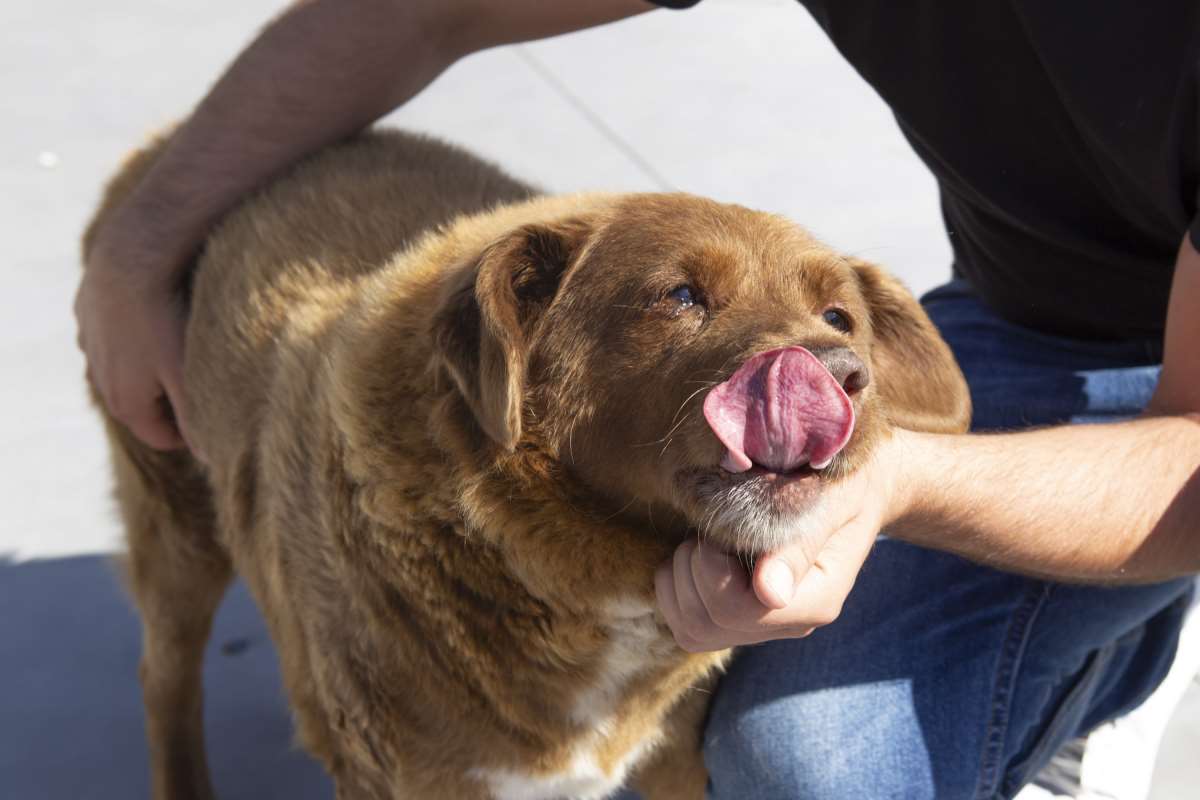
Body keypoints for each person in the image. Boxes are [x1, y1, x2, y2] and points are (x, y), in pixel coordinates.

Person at [75, 1, 1200, 797]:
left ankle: (1087, 677)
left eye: (837, 335)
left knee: (816, 765)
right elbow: (413, 9)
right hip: (1017, 306)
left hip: (1174, 431)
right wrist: (130, 252)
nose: (823, 366)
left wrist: (894, 474)